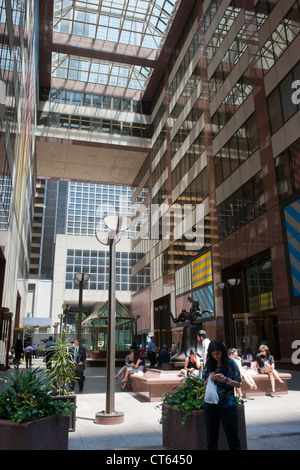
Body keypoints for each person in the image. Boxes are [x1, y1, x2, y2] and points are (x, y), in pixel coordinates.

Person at [203, 340, 242, 450]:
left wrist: (226, 380)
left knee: (233, 439)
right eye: (213, 354)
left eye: (218, 353)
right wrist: (209, 379)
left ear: (223, 352)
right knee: (211, 439)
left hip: (228, 405)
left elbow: (238, 384)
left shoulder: (231, 363)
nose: (216, 356)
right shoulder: (209, 364)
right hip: (211, 405)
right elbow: (203, 383)